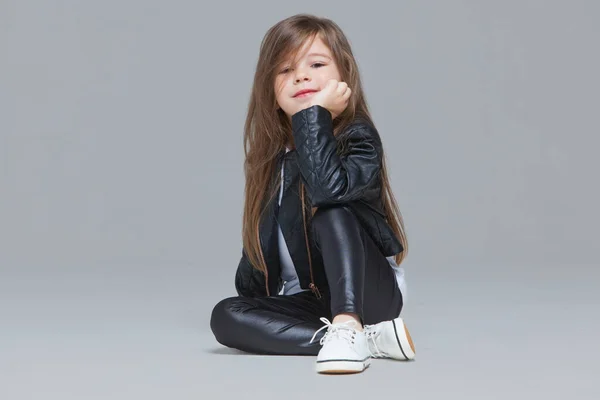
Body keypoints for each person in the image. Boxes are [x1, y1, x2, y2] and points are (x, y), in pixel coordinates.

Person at [210, 13, 416, 374]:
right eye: (284, 70)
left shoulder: (358, 138)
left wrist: (314, 114)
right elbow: (257, 268)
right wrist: (259, 305)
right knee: (225, 316)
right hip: (309, 302)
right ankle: (366, 340)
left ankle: (351, 324)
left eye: (316, 64)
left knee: (332, 210)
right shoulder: (269, 163)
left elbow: (328, 190)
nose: (301, 76)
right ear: (269, 91)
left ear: (344, 76)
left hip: (368, 295)